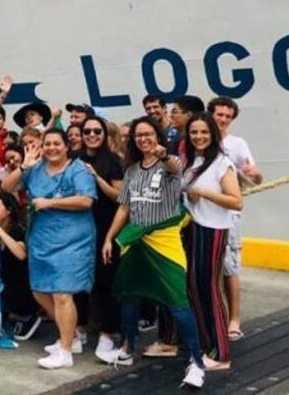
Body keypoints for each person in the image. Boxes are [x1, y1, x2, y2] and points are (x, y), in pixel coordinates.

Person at [99, 116, 206, 389]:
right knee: (130, 297)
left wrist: (163, 154)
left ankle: (197, 362)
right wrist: (109, 238)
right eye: (138, 136)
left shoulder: (170, 164)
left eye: (148, 134)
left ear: (157, 136)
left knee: (177, 301)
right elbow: (124, 207)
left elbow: (174, 166)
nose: (143, 139)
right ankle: (127, 349)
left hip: (164, 242)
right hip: (135, 241)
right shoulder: (133, 170)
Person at [3, 128, 97, 369]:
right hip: (41, 239)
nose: (52, 148)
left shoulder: (77, 169)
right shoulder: (35, 168)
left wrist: (50, 202)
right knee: (39, 291)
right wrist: (24, 165)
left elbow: (86, 200)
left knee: (62, 293)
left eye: (57, 143)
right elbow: (6, 187)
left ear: (67, 146)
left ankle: (65, 351)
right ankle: (71, 336)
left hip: (72, 240)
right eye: (48, 143)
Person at [183, 113, 243, 370]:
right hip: (194, 229)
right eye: (194, 132)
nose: (199, 137)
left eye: (204, 132)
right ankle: (207, 344)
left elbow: (236, 200)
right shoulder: (193, 161)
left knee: (209, 290)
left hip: (213, 230)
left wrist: (205, 193)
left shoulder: (222, 163)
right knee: (194, 289)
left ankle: (220, 353)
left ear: (214, 134)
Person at [207, 96, 261, 341]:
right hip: (200, 213)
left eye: (228, 116)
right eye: (219, 114)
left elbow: (255, 179)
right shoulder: (198, 139)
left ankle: (234, 319)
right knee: (204, 267)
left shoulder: (237, 144)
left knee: (230, 267)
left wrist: (256, 174)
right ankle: (210, 317)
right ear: (210, 114)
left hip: (228, 215)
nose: (223, 120)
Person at [75, 116, 125, 358]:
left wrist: (96, 178)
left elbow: (119, 197)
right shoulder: (75, 160)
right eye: (87, 131)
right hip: (80, 229)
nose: (91, 135)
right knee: (79, 282)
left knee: (106, 281)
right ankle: (79, 328)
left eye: (97, 131)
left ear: (105, 135)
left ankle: (109, 332)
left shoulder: (113, 161)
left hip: (106, 228)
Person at [0, 190, 40, 340]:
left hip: (22, 289)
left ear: (9, 210)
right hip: (5, 286)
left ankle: (27, 315)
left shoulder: (17, 229)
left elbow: (21, 254)